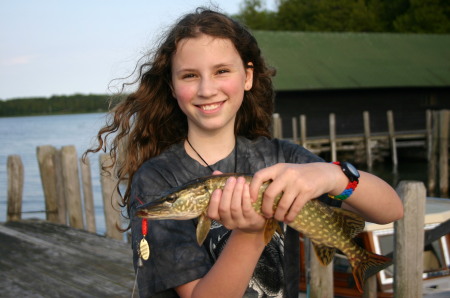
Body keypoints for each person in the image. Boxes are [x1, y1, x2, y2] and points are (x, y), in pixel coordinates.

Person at [86, 7, 403, 298]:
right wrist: (251, 234)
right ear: (171, 86)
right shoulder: (157, 180)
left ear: (248, 77)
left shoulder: (284, 157)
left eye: (222, 70)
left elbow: (390, 211)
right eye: (189, 75)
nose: (207, 89)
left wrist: (333, 175)